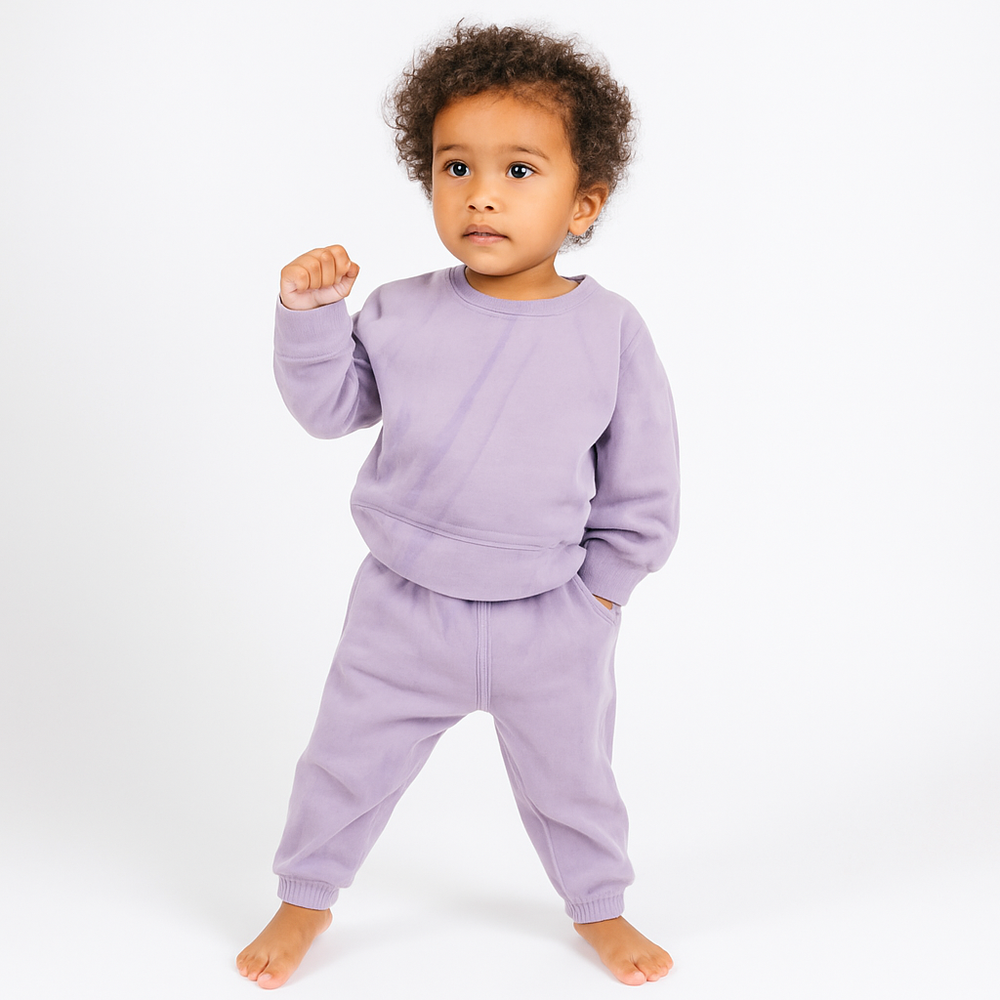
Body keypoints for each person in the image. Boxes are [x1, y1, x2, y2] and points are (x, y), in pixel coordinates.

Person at [237, 22, 680, 989]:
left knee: (574, 781)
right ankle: (304, 897)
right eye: (455, 167)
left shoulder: (610, 331)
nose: (481, 192)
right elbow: (331, 410)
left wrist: (602, 596)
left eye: (520, 170)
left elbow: (643, 484)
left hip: (550, 618)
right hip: (402, 608)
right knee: (343, 763)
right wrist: (311, 318)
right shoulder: (399, 311)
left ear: (585, 201)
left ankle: (599, 906)